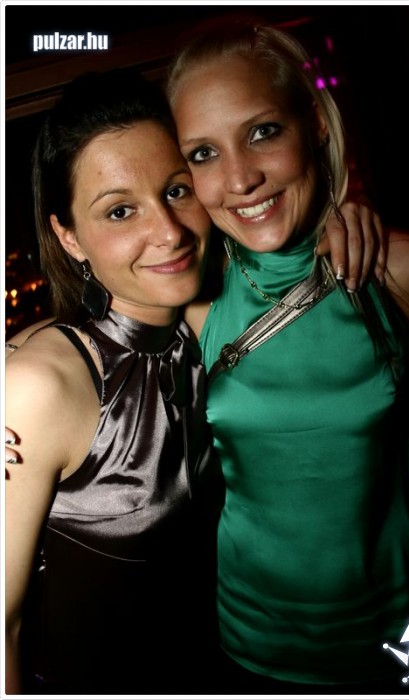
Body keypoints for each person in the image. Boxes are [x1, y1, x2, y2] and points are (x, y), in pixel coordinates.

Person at [162, 17, 409, 693]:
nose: (240, 178)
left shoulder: (397, 271)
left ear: (315, 127)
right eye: (203, 153)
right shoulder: (192, 300)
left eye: (262, 132)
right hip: (252, 639)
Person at [4, 68, 225, 695]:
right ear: (68, 236)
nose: (169, 231)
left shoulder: (211, 329)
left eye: (177, 190)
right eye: (120, 210)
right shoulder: (40, 385)